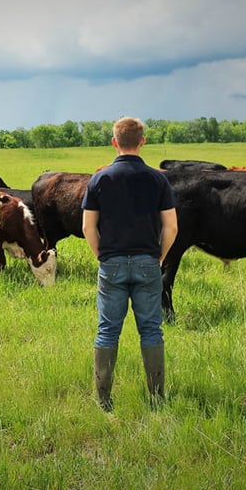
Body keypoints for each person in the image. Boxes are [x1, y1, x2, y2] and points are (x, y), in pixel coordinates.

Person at [81, 116, 178, 411]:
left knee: (108, 330)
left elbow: (88, 227)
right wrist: (159, 256)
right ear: (142, 141)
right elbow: (171, 227)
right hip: (148, 261)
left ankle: (104, 402)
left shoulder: (99, 179)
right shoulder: (158, 178)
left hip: (111, 263)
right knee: (151, 329)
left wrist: (101, 255)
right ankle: (157, 400)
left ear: (114, 142)